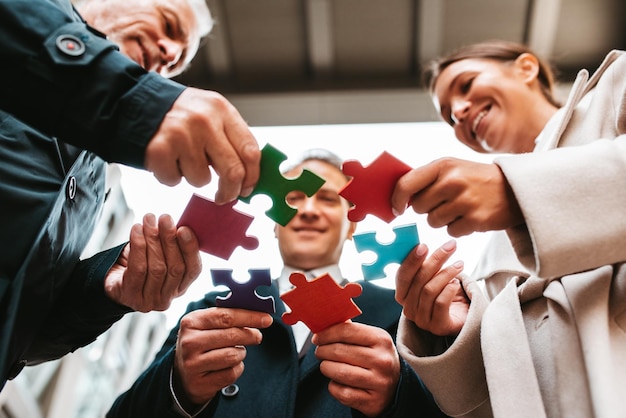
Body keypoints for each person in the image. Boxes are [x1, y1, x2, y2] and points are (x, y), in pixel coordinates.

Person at [0, 0, 236, 390]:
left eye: (176, 66)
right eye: (168, 24)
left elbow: (23, 333)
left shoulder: (96, 178)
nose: (170, 53)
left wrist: (103, 291)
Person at [107, 149, 445, 418]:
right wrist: (178, 385)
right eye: (295, 197)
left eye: (327, 198)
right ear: (274, 221)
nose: (309, 210)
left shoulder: (403, 314)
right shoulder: (212, 310)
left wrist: (398, 399)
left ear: (352, 223)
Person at [390, 40, 626, 417]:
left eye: (466, 86)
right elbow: (486, 400)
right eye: (449, 116)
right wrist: (460, 330)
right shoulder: (489, 248)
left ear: (526, 68)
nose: (460, 112)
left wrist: (519, 194)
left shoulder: (617, 87)